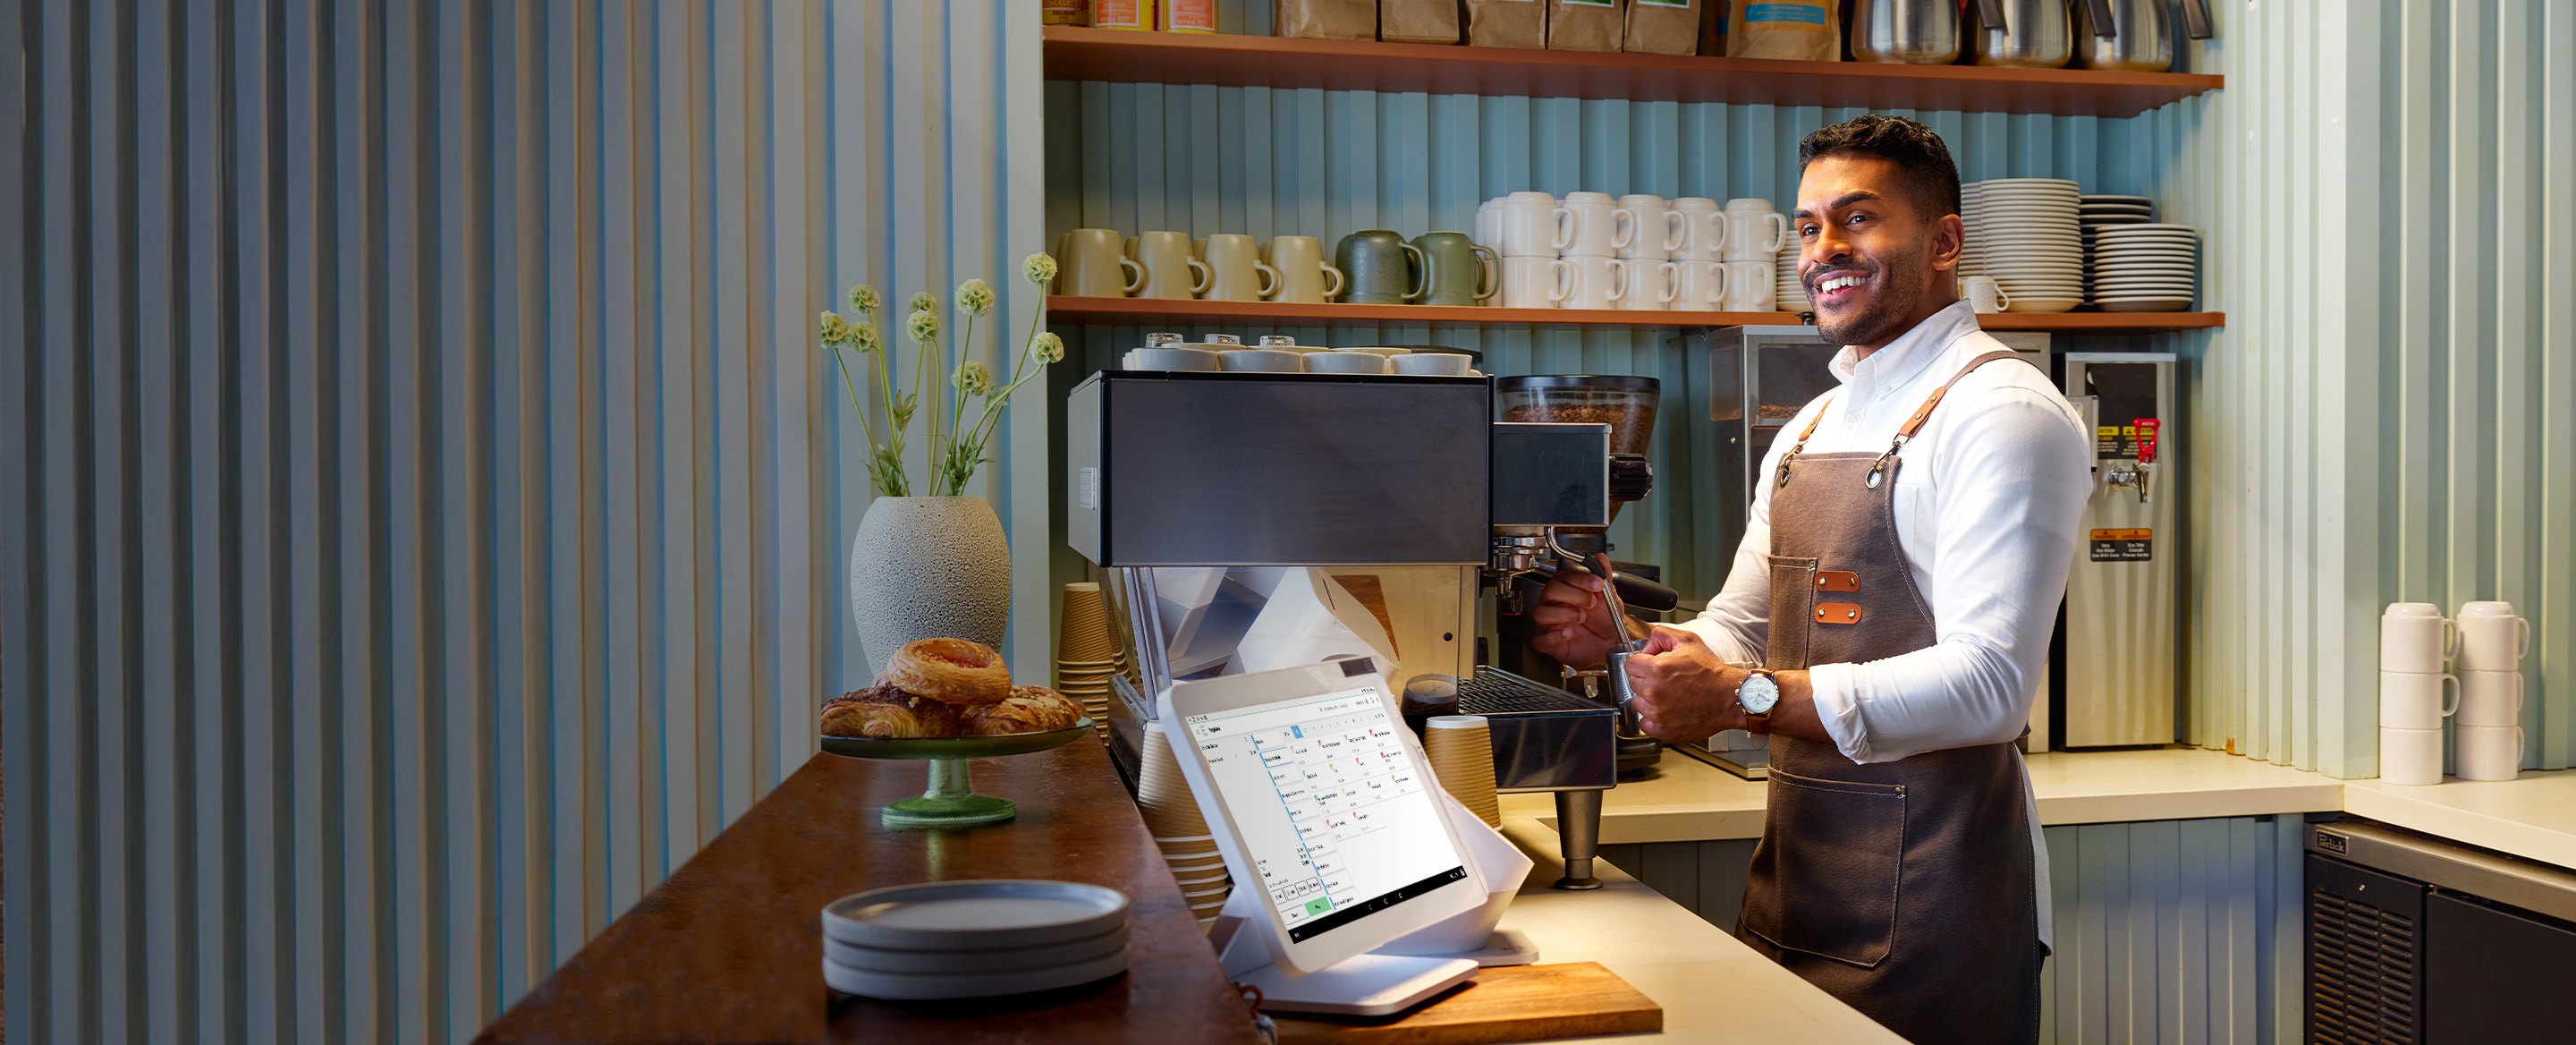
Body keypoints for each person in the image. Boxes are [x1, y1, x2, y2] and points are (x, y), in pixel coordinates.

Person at [1529, 115, 2091, 1045]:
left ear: (1945, 241)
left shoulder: (2004, 414)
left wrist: (1740, 697)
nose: (1824, 249)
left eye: (1858, 219)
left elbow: (1991, 686)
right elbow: (1743, 626)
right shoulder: (1811, 426)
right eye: (1808, 225)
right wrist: (1639, 646)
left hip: (1941, 908)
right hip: (1800, 885)